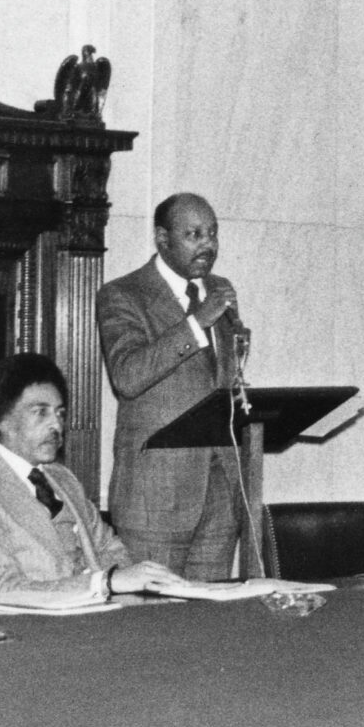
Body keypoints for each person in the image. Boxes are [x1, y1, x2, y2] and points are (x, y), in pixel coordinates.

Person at [0, 352, 178, 607]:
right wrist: (102, 583)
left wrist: (126, 583)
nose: (56, 424)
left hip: (99, 619)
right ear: (3, 420)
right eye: (40, 412)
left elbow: (111, 549)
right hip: (32, 632)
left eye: (60, 413)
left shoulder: (62, 478)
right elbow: (0, 588)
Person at [97, 192, 248, 580]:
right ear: (162, 239)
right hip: (154, 497)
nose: (208, 245)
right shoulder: (123, 295)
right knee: (153, 627)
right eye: (194, 234)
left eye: (212, 233)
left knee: (210, 624)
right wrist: (197, 324)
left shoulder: (220, 289)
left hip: (219, 491)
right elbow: (128, 376)